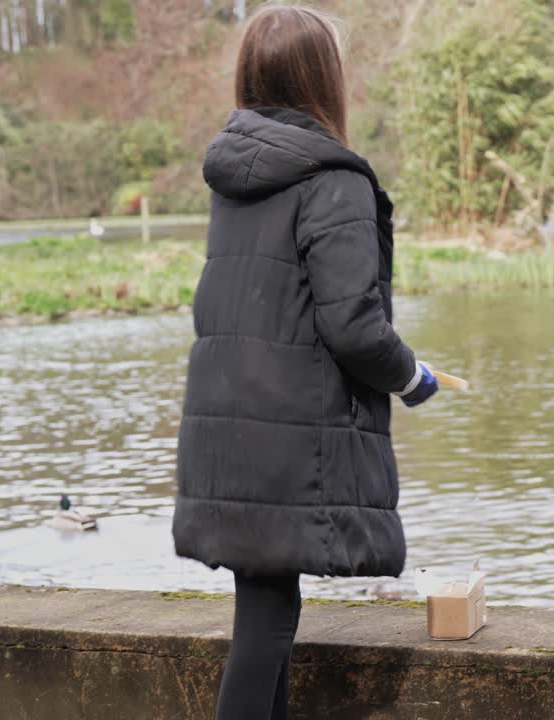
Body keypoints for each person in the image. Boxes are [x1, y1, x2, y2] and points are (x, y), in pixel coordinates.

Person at [171, 6, 439, 719]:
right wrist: (413, 376)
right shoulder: (333, 179)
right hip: (285, 433)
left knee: (267, 610)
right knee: (266, 624)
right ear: (324, 77)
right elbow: (353, 326)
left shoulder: (235, 176)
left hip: (229, 425)